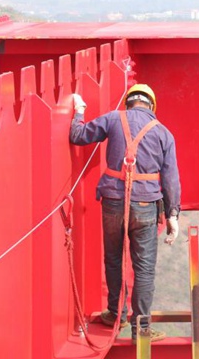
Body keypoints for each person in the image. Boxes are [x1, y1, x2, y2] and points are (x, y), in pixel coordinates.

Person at [70, 83, 181, 343]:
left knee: (113, 258)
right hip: (145, 207)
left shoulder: (112, 118)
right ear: (151, 106)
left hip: (113, 203)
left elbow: (78, 135)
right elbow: (171, 178)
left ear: (129, 102)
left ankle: (116, 313)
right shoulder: (163, 133)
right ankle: (141, 328)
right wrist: (173, 214)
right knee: (143, 268)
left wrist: (79, 110)